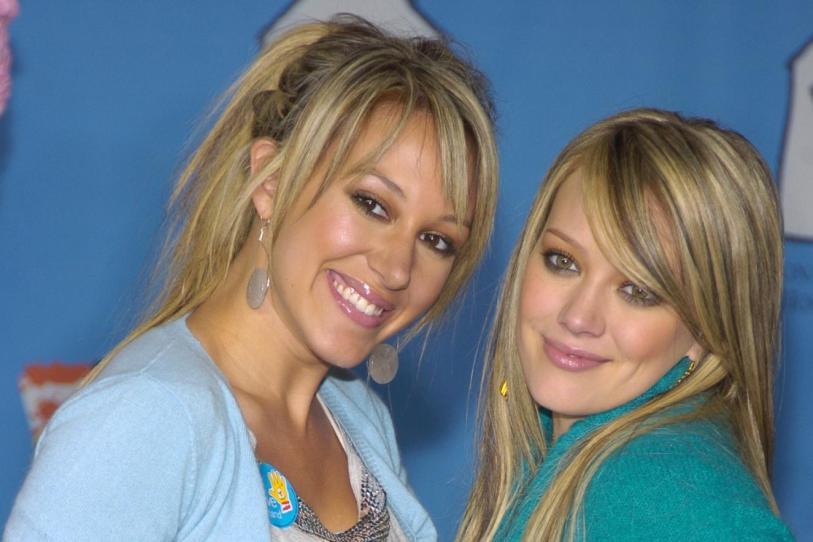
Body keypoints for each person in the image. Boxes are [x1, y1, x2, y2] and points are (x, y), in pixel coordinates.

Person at [6, 16, 497, 542]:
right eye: (371, 204)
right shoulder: (143, 416)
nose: (398, 268)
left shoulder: (358, 419)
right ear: (271, 181)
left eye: (436, 240)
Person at [457, 109, 794, 541]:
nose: (578, 317)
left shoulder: (672, 498)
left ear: (708, 331)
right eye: (563, 261)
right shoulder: (559, 458)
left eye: (637, 291)